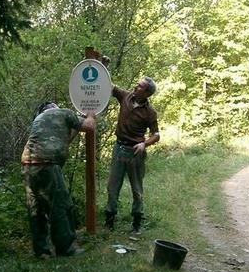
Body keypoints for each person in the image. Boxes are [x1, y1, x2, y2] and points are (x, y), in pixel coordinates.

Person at [21, 101, 96, 258]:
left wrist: (76, 125)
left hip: (28, 165)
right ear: (56, 108)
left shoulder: (40, 119)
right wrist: (89, 115)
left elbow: (63, 140)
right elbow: (89, 127)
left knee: (36, 209)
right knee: (60, 206)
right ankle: (66, 249)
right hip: (47, 164)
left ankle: (41, 251)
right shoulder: (64, 112)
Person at [105, 77, 160, 233]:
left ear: (147, 93)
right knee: (113, 186)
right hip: (119, 147)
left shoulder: (150, 112)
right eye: (137, 84)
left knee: (137, 189)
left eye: (140, 86)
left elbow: (156, 135)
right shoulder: (125, 96)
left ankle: (137, 222)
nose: (136, 86)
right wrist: (102, 65)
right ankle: (109, 220)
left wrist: (144, 144)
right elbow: (109, 85)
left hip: (135, 152)